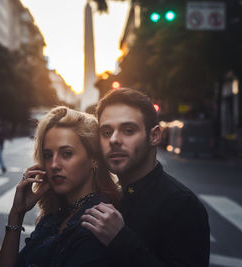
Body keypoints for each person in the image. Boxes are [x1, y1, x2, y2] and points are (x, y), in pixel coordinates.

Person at [81, 88, 210, 266]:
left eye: (128, 130)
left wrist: (120, 239)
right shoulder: (110, 198)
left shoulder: (181, 204)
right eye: (106, 132)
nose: (114, 140)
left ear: (154, 136)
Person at [0, 106, 121, 267]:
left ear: (93, 158)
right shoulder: (56, 214)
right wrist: (16, 215)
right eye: (47, 155)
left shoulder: (98, 222)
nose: (53, 165)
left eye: (66, 153)